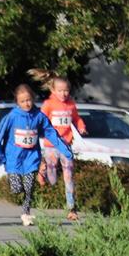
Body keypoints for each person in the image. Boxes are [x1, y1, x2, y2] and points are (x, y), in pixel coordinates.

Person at [0, 84, 72, 227]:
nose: (26, 104)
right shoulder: (12, 117)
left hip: (31, 158)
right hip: (14, 158)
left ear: (33, 99)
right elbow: (0, 136)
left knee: (29, 187)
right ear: (17, 102)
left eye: (28, 100)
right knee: (17, 188)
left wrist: (65, 150)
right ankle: (19, 193)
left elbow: (50, 132)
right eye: (22, 101)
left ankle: (26, 213)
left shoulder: (39, 116)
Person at [39, 76, 87, 221]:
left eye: (66, 90)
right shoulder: (49, 104)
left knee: (68, 176)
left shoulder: (71, 104)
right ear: (53, 90)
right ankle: (42, 172)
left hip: (66, 145)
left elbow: (77, 118)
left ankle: (71, 209)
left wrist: (81, 127)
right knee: (52, 177)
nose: (63, 93)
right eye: (60, 90)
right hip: (51, 145)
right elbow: (40, 119)